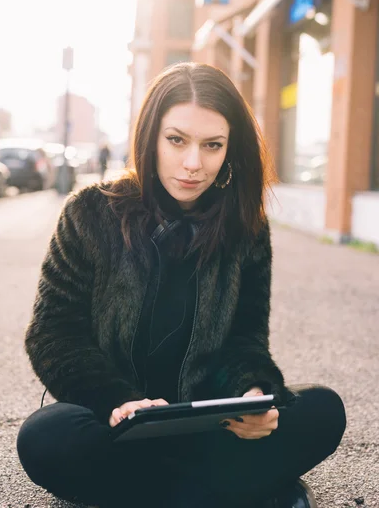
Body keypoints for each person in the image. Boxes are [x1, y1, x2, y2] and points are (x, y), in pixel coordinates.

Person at [17, 63, 346, 508]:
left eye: (212, 146)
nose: (194, 164)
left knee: (323, 410)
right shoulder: (88, 213)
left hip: (210, 427)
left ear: (230, 150)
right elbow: (53, 334)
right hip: (117, 426)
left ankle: (155, 493)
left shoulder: (246, 227)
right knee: (45, 437)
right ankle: (244, 489)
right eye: (177, 140)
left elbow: (245, 339)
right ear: (151, 137)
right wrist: (117, 400)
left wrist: (251, 394)